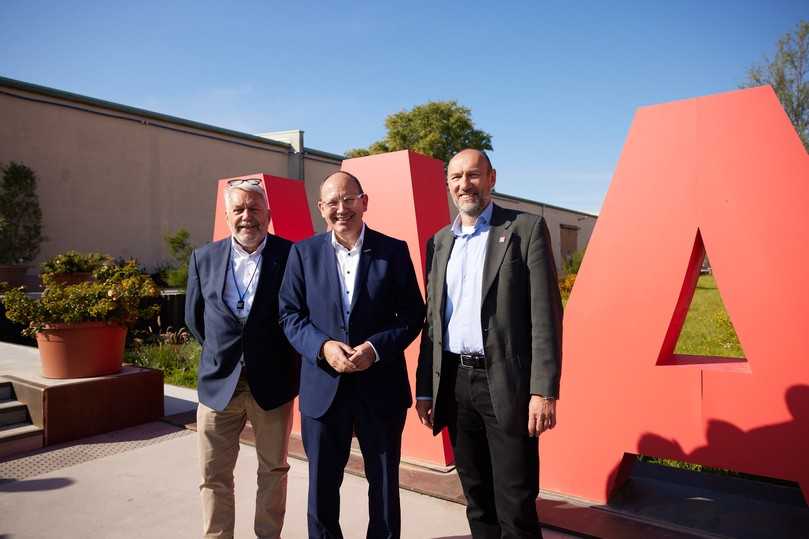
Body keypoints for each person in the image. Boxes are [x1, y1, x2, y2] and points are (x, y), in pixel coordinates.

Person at [415, 149, 563, 539]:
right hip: (454, 385)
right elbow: (432, 322)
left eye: (474, 175)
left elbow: (545, 316)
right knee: (477, 500)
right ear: (448, 184)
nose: (465, 185)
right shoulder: (439, 242)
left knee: (515, 502)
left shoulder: (524, 229)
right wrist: (426, 390)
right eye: (456, 177)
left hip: (506, 386)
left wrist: (542, 391)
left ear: (492, 178)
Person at [279, 171, 425, 539]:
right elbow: (289, 315)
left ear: (364, 201)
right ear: (321, 208)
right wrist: (323, 347)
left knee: (385, 484)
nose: (341, 209)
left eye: (348, 199)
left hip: (381, 389)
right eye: (332, 202)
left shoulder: (393, 251)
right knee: (322, 487)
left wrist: (375, 349)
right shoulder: (302, 253)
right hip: (323, 389)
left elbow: (412, 316)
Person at [185, 179, 299, 539]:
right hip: (219, 385)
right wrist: (228, 354)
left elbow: (299, 314)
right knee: (213, 474)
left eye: (254, 208)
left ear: (268, 213)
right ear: (227, 214)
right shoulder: (203, 258)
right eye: (239, 209)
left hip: (272, 384)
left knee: (273, 471)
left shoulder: (291, 255)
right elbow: (195, 317)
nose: (247, 216)